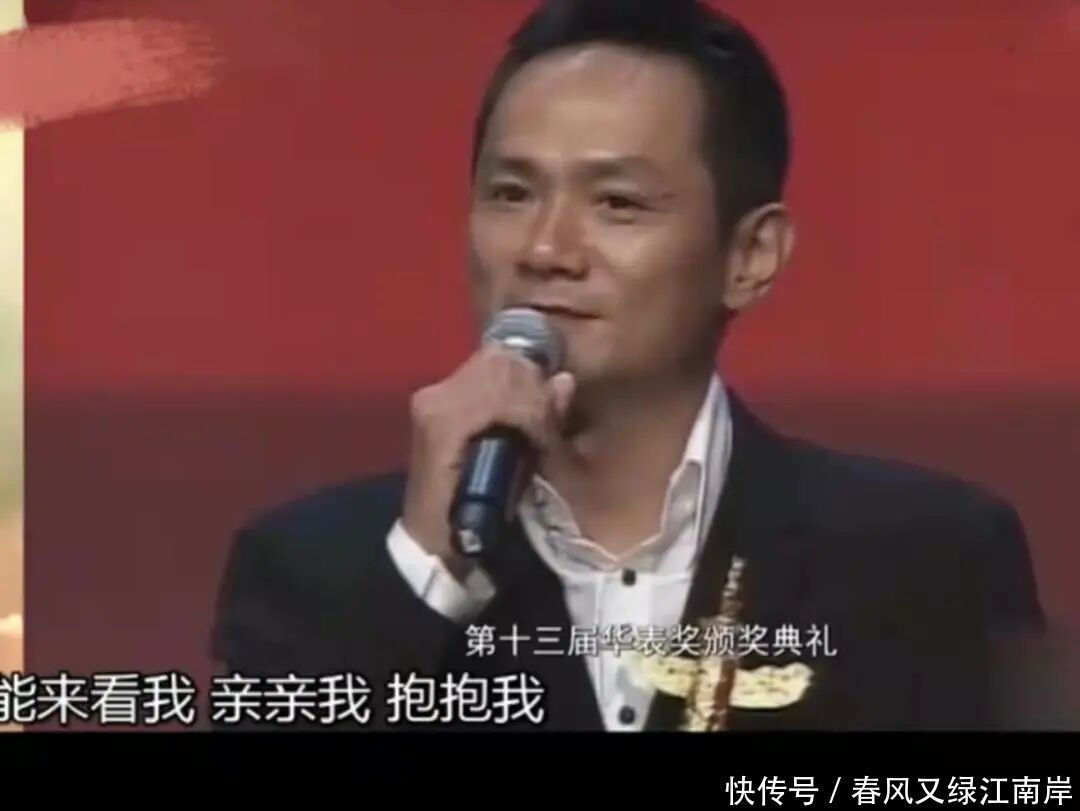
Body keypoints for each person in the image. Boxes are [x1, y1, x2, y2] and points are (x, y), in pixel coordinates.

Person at [209, 0, 1044, 731]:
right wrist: (429, 572)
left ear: (750, 256)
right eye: (511, 194)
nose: (545, 249)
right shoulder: (306, 575)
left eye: (618, 203)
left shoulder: (927, 563)